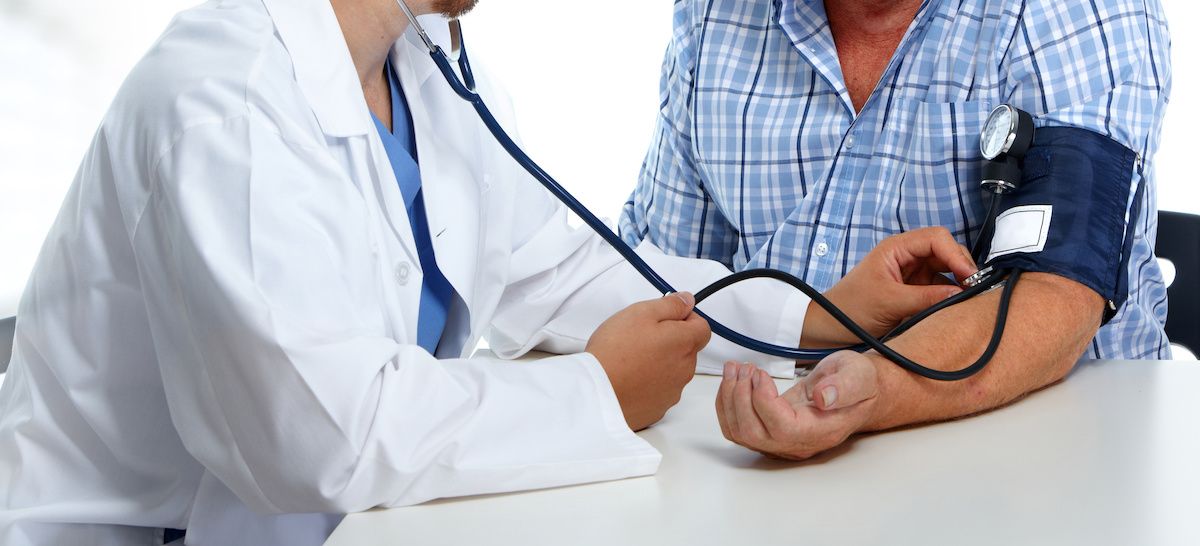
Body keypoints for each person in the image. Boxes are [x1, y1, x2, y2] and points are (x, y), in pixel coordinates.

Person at [0, 0, 978, 544]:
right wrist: (596, 394)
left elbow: (562, 265)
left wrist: (812, 317)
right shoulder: (225, 107)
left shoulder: (421, 62)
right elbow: (325, 435)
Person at [619, 0, 1171, 460]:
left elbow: (1056, 296)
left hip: (1044, 458)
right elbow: (664, 287)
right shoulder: (713, 15)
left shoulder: (1078, 10)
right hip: (752, 457)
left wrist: (867, 389)